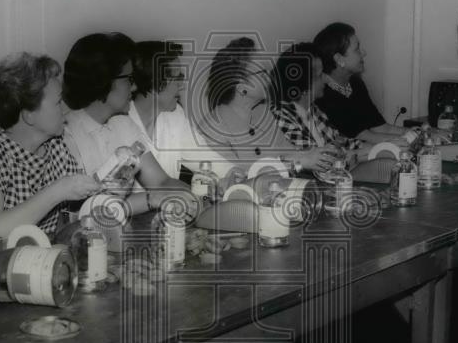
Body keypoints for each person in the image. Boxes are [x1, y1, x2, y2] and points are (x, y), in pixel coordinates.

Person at [0, 53, 99, 245]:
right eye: (58, 102)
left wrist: (106, 186)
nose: (65, 109)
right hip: (0, 266)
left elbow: (77, 214)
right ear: (29, 115)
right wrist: (59, 190)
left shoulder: (55, 144)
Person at [62, 32, 198, 218]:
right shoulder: (67, 135)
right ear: (104, 81)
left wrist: (197, 195)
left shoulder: (124, 124)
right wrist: (152, 199)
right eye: (128, 80)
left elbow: (160, 182)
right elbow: (83, 212)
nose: (134, 88)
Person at [195, 36, 336, 174]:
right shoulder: (212, 129)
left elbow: (292, 156)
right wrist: (300, 161)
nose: (269, 76)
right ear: (242, 87)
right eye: (262, 73)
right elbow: (239, 180)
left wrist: (313, 155)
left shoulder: (263, 112)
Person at [129, 40, 227, 180]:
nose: (181, 86)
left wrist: (234, 174)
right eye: (177, 78)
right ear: (154, 83)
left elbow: (204, 157)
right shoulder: (119, 124)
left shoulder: (175, 115)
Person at [270, 42, 370, 166]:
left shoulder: (313, 110)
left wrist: (384, 147)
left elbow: (343, 142)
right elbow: (323, 161)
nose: (326, 78)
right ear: (303, 84)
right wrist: (374, 152)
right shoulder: (281, 117)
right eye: (320, 75)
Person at [312, 23, 408, 142]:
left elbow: (380, 127)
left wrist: (417, 132)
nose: (364, 52)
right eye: (357, 49)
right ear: (339, 59)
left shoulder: (355, 83)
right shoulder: (323, 94)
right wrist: (409, 140)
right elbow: (363, 136)